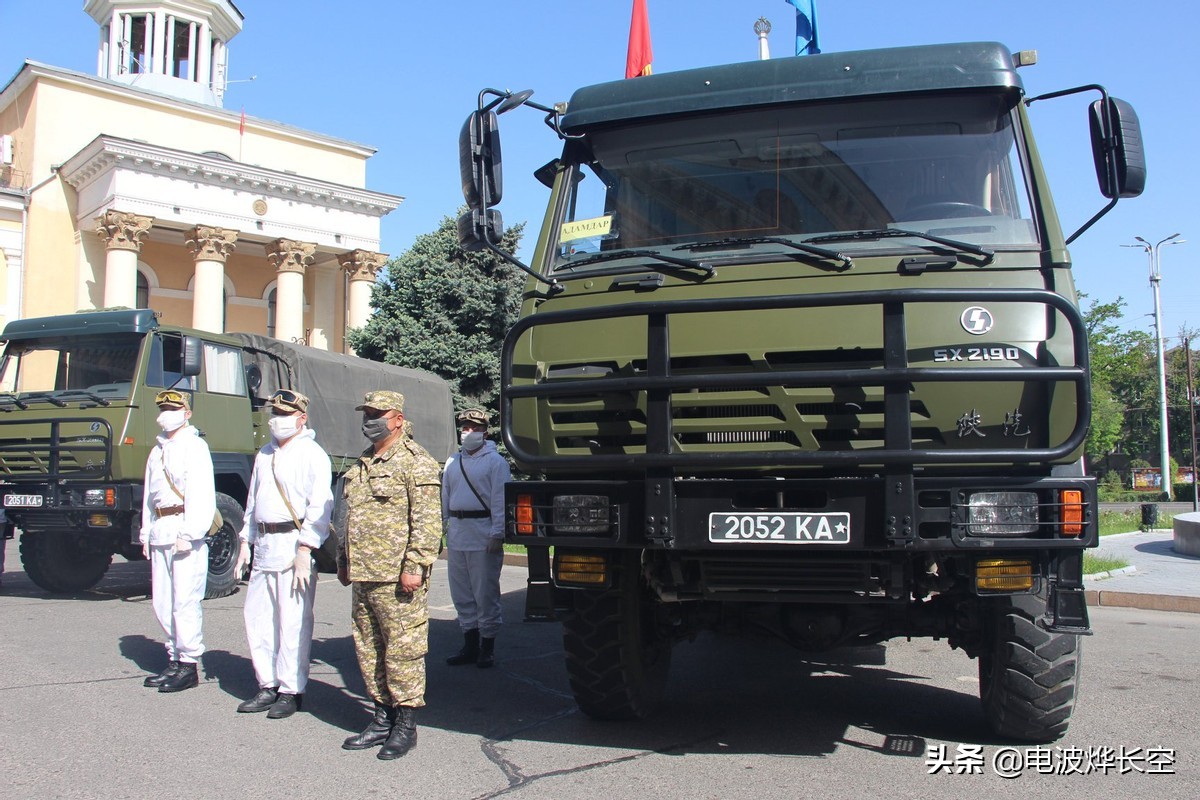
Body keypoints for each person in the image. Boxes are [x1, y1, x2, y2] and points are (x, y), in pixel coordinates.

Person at [337, 390, 441, 760]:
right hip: (364, 573)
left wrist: (415, 565)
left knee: (403, 650)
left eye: (378, 414)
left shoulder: (416, 461)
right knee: (369, 649)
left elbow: (427, 522)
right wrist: (343, 560)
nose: (370, 421)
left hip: (397, 578)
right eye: (367, 414)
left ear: (397, 419)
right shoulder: (365, 461)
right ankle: (382, 718)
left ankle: (405, 726)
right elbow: (350, 517)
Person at [233, 389, 332, 719]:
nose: (277, 420)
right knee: (259, 618)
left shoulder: (312, 454)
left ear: (302, 418)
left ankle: (291, 690)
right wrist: (245, 541)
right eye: (275, 414)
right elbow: (253, 501)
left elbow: (320, 506)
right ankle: (267, 684)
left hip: (292, 544)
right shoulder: (264, 454)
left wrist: (306, 547)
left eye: (285, 415)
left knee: (292, 622)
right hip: (264, 543)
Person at [139, 389, 216, 693]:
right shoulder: (157, 451)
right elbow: (149, 497)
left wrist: (190, 531)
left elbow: (202, 493)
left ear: (187, 414)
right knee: (163, 602)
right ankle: (173, 657)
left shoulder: (194, 446)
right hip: (162, 528)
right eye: (163, 409)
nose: (166, 414)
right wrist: (146, 532)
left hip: (184, 529)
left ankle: (188, 663)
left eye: (173, 409)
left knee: (184, 600)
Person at [442, 408, 511, 668]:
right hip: (458, 532)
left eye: (474, 428)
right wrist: (442, 525)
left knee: (485, 593)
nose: (468, 433)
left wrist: (498, 533)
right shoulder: (453, 461)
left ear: (485, 432)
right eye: (465, 428)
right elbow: (445, 495)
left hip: (483, 531)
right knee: (461, 592)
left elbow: (500, 499)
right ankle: (469, 645)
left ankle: (487, 646)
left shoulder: (495, 462)